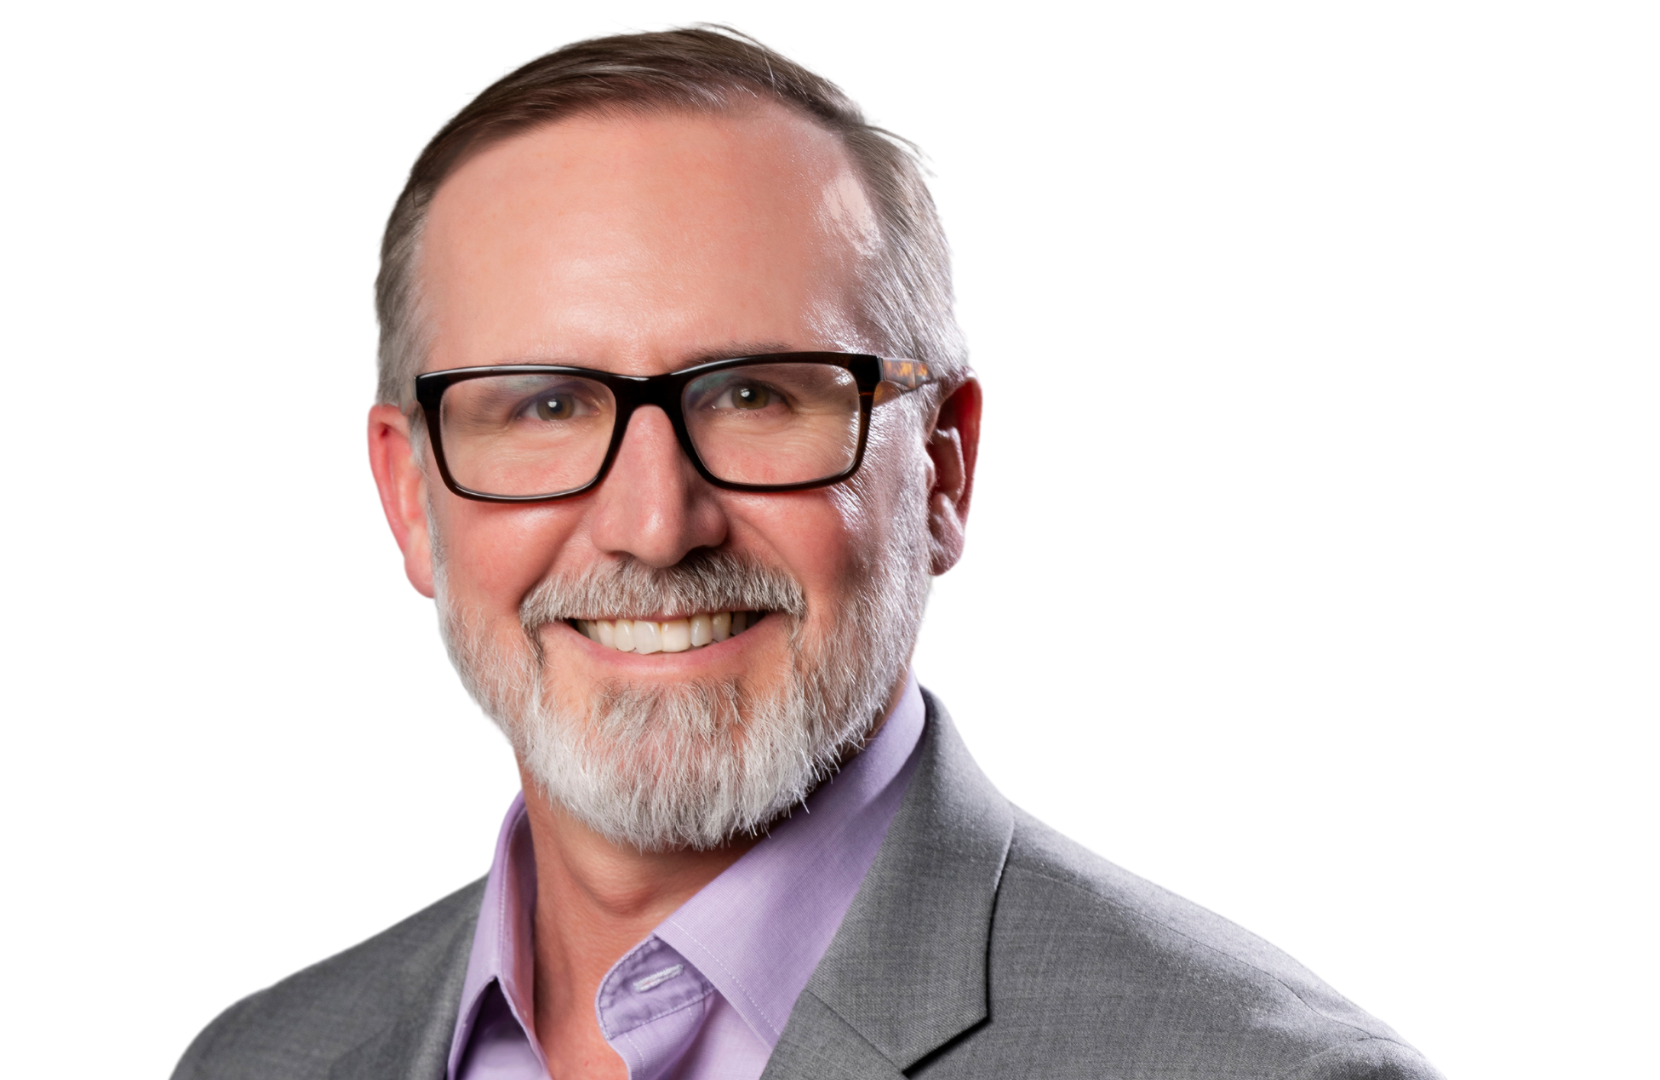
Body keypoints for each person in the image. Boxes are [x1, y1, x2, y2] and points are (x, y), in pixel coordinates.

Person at [173, 26, 1440, 1080]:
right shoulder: (257, 1062)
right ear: (410, 497)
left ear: (942, 467)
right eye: (546, 406)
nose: (655, 527)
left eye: (755, 397)